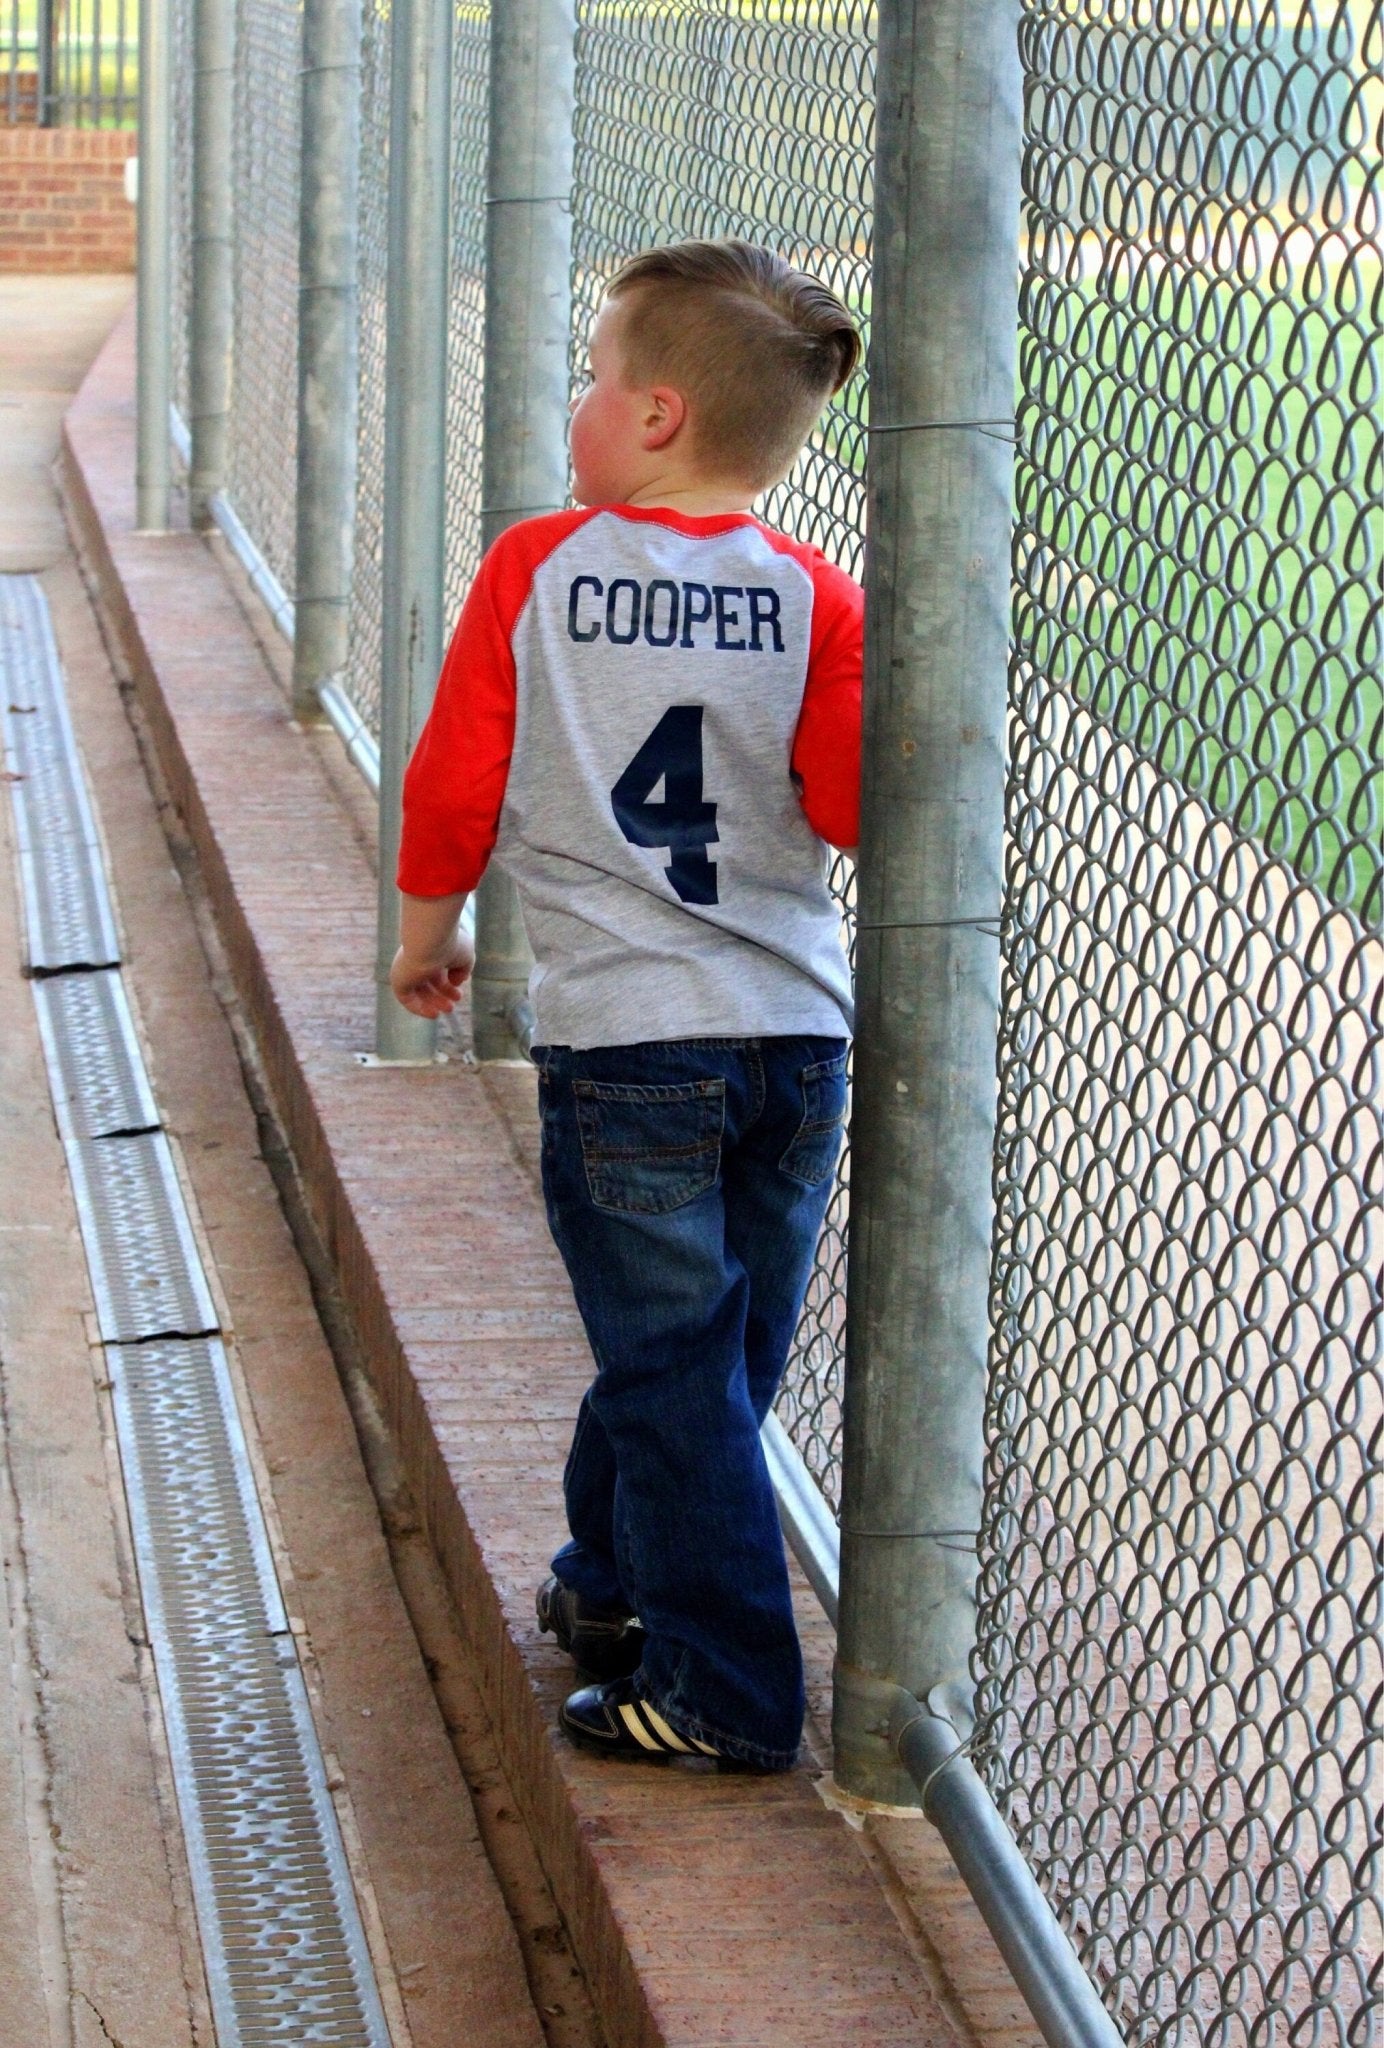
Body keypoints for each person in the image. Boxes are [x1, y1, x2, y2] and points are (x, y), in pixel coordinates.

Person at [390, 239, 862, 1772]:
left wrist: (424, 931)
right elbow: (851, 806)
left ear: (657, 416)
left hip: (630, 1043)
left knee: (670, 1361)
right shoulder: (821, 597)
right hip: (793, 1036)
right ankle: (608, 1589)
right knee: (705, 1360)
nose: (577, 406)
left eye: (595, 381)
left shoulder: (538, 567)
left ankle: (726, 1692)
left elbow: (458, 777)